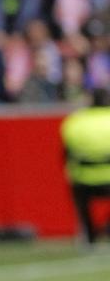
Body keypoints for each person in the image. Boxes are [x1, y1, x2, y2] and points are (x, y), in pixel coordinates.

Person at [61, 87, 110, 246]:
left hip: (84, 181)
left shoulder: (75, 122)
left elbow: (67, 154)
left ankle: (89, 235)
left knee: (79, 195)